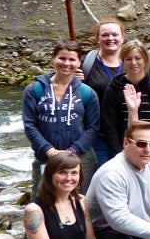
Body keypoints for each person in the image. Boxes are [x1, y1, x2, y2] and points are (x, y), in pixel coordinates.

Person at [22, 40, 99, 196]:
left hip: (80, 158)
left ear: (79, 62)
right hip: (45, 157)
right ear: (53, 59)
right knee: (41, 201)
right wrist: (50, 151)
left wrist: (72, 151)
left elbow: (93, 127)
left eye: (72, 59)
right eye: (62, 58)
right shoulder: (34, 90)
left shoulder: (87, 93)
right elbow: (30, 125)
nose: (66, 63)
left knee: (80, 201)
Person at [100, 40, 150, 156]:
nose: (133, 62)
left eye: (138, 58)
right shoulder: (114, 89)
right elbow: (109, 125)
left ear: (145, 60)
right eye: (128, 59)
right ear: (122, 61)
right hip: (122, 147)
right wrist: (118, 152)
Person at [82, 18, 127, 165]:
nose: (110, 38)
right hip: (97, 134)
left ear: (123, 37)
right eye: (105, 35)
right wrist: (73, 79)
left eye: (115, 34)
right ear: (97, 38)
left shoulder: (133, 62)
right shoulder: (85, 64)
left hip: (127, 133)